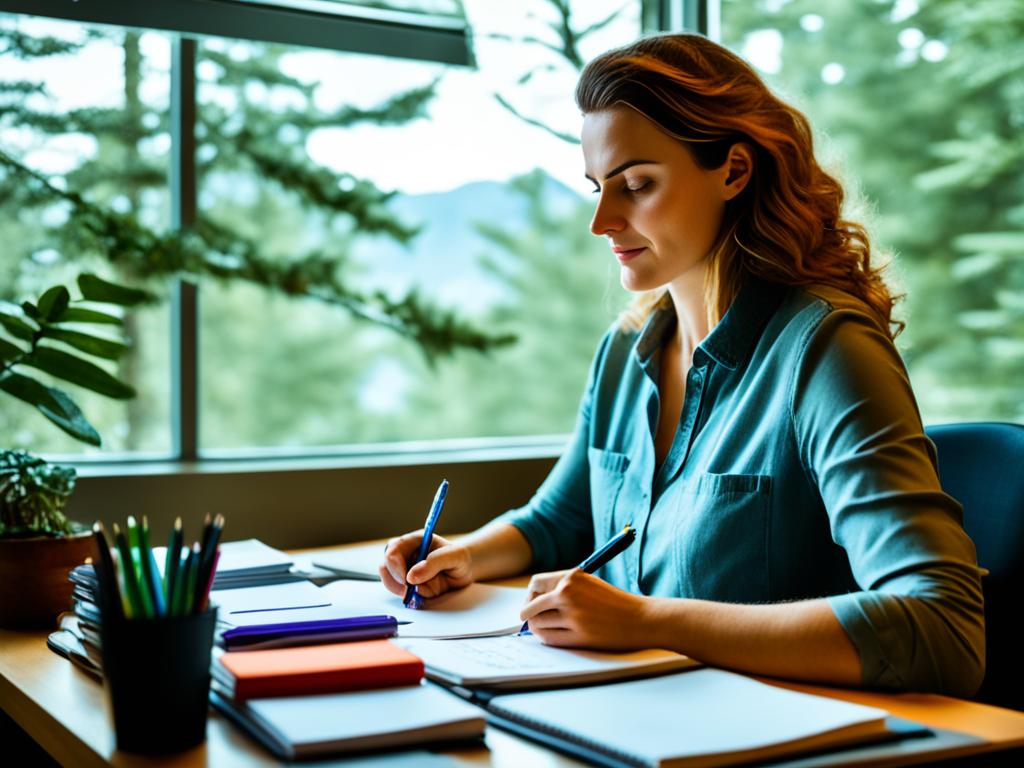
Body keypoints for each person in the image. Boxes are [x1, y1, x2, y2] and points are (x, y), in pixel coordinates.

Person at [380, 33, 985, 697]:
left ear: (732, 171)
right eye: (597, 187)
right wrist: (462, 555)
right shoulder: (625, 349)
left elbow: (941, 627)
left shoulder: (827, 349)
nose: (602, 221)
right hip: (626, 712)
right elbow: (560, 520)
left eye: (636, 184)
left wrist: (648, 621)